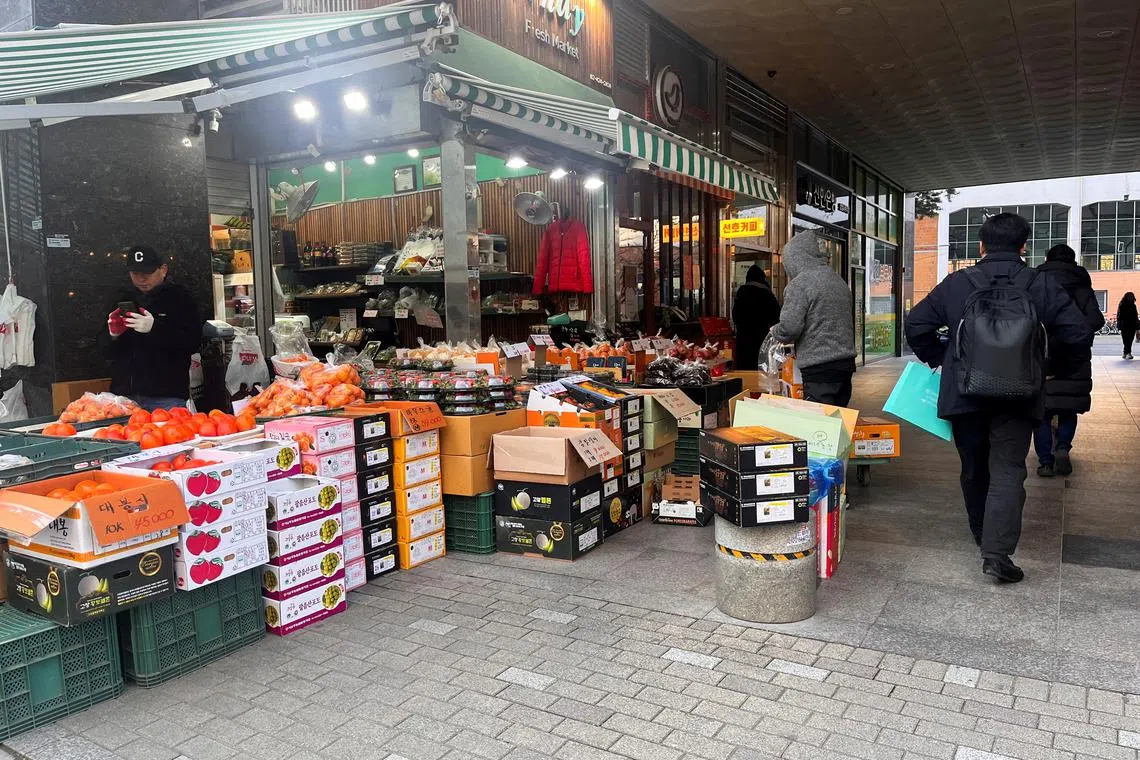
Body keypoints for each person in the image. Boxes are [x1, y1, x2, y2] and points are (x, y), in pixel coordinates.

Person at [905, 213, 1090, 583]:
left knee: (973, 468)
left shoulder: (958, 283)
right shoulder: (1041, 284)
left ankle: (981, 533)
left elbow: (916, 325)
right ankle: (996, 551)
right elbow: (1079, 333)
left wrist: (944, 357)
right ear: (1024, 247)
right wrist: (1047, 367)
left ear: (981, 246)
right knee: (1008, 469)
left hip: (964, 393)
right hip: (1019, 396)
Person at [103, 246, 203, 411]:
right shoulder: (120, 298)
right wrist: (113, 335)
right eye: (136, 274)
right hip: (124, 397)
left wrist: (155, 329)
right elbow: (104, 351)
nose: (142, 279)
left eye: (147, 273)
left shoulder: (180, 298)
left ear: (163, 270)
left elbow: (192, 342)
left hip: (166, 397)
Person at [1034, 245, 1104, 478]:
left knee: (1041, 411)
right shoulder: (1082, 285)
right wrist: (1075, 334)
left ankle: (1045, 462)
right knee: (1068, 408)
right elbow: (1096, 319)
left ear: (1046, 259)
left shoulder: (1037, 283)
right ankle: (1062, 447)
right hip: (1075, 357)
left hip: (1043, 357)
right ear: (1073, 261)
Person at [771, 229, 856, 406]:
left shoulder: (800, 284)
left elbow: (790, 327)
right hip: (845, 365)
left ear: (794, 260)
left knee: (820, 427)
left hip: (819, 367)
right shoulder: (837, 281)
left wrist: (775, 331)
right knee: (839, 420)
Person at [731, 265, 781, 371]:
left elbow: (736, 315)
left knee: (745, 366)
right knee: (760, 365)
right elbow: (776, 317)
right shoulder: (767, 294)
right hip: (762, 337)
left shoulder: (742, 293)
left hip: (744, 337)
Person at [1118, 292, 1138, 360]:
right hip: (1125, 325)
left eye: (1132, 296)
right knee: (1126, 340)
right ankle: (1127, 353)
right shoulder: (1122, 305)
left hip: (1132, 325)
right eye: (1129, 296)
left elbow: (1135, 315)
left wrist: (1137, 324)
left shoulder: (1133, 305)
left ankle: (1127, 353)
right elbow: (1120, 315)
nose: (1131, 298)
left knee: (1130, 339)